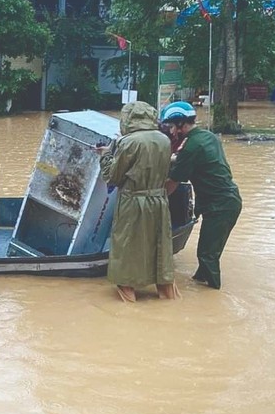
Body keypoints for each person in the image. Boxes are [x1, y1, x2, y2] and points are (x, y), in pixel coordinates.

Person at [97, 101, 178, 302]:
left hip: (133, 201)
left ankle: (129, 300)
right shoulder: (164, 140)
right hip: (159, 201)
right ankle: (168, 296)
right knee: (159, 246)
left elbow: (113, 177)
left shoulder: (128, 142)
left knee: (126, 249)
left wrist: (106, 155)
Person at [163, 101, 242, 290]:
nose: (172, 132)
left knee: (207, 255)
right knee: (208, 251)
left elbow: (172, 184)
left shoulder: (191, 148)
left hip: (219, 206)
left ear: (182, 124)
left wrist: (152, 199)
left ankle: (213, 296)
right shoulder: (208, 137)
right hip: (228, 200)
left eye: (173, 127)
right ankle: (200, 281)